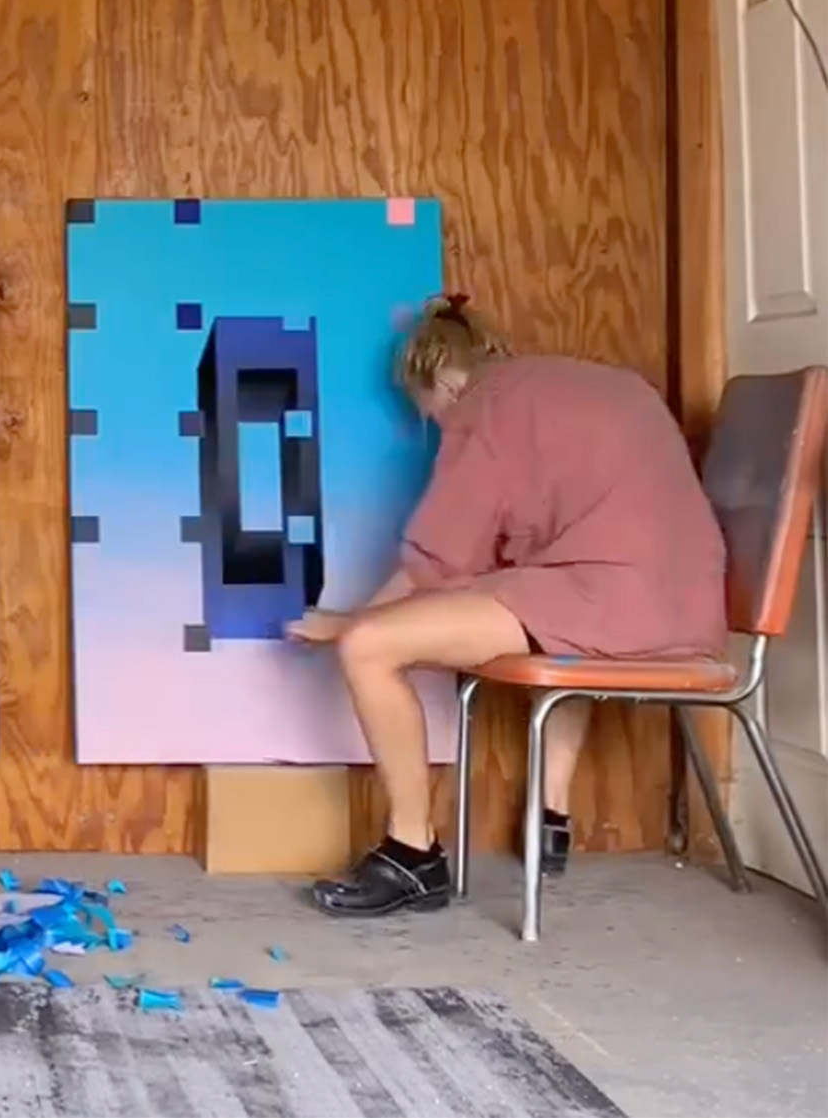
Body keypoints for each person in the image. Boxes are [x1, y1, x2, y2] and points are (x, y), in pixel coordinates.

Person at [287, 293, 726, 917]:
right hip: (686, 604)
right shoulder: (596, 386)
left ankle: (412, 854)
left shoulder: (487, 406)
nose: (441, 431)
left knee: (370, 648)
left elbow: (435, 559)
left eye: (430, 416)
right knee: (539, 616)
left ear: (441, 382)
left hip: (608, 599)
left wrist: (348, 624)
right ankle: (552, 814)